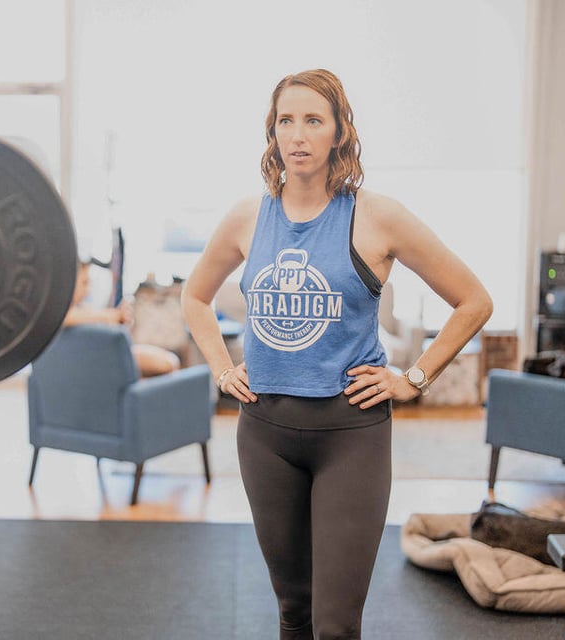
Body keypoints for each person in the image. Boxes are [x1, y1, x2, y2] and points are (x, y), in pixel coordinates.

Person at [181, 69, 492, 639]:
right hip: (264, 432)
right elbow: (194, 297)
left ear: (340, 132)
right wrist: (222, 370)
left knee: (335, 626)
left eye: (313, 120)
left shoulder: (377, 215)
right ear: (271, 133)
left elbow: (473, 301)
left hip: (351, 433)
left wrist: (414, 377)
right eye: (285, 121)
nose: (297, 135)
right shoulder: (246, 217)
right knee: (293, 613)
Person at [63, 260, 181, 377]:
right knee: (168, 363)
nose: (88, 289)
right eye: (84, 282)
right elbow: (66, 318)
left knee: (168, 361)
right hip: (99, 357)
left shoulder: (85, 309)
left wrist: (119, 321)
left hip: (104, 355)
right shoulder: (59, 316)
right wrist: (110, 315)